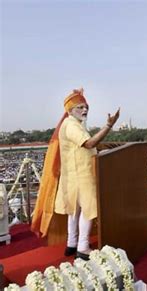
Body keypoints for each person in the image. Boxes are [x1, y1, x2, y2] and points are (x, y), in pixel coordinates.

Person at [31, 88, 119, 260]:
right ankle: (83, 247)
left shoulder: (74, 124)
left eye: (86, 107)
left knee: (75, 212)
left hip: (74, 177)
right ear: (69, 110)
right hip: (81, 177)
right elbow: (90, 143)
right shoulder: (71, 125)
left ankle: (72, 244)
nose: (85, 110)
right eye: (80, 107)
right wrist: (109, 125)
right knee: (86, 211)